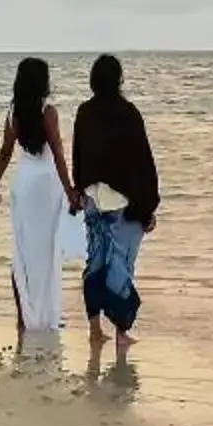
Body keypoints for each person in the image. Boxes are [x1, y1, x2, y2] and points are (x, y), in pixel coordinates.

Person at [0, 56, 81, 339]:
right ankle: (47, 313)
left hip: (24, 184)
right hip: (47, 185)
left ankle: (23, 317)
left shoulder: (14, 112)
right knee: (48, 253)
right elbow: (58, 153)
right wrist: (70, 190)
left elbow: (5, 152)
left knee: (23, 252)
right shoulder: (48, 111)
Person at [70, 52, 159, 345]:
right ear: (120, 80)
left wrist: (78, 191)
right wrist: (147, 208)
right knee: (122, 266)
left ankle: (95, 330)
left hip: (94, 198)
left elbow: (78, 157)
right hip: (122, 201)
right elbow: (142, 163)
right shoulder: (128, 113)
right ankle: (122, 333)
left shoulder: (84, 112)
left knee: (94, 263)